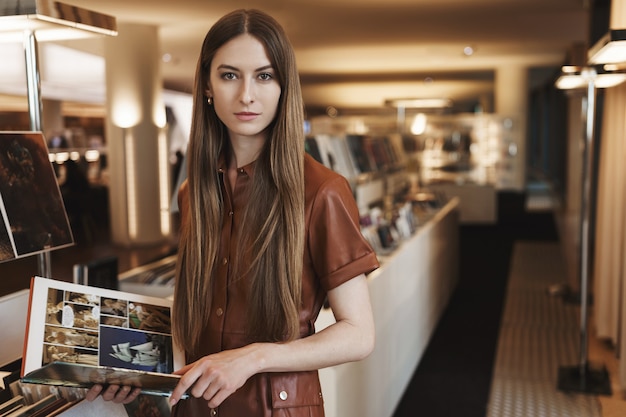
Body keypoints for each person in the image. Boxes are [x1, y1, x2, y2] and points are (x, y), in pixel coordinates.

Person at [86, 9, 379, 416]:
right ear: (207, 86)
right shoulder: (194, 192)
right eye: (229, 75)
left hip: (276, 409)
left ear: (283, 87)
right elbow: (197, 318)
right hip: (197, 406)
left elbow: (359, 334)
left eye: (264, 75)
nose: (246, 95)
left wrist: (253, 357)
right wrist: (133, 371)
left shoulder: (322, 191)